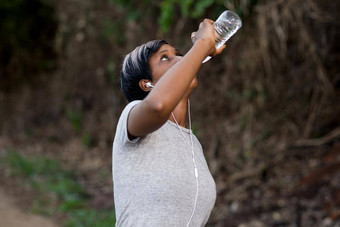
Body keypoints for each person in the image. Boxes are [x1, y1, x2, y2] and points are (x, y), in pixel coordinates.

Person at [112, 19, 226, 227]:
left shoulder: (194, 145)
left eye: (179, 55)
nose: (180, 60)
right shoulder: (132, 117)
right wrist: (201, 45)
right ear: (147, 84)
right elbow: (157, 106)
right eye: (165, 58)